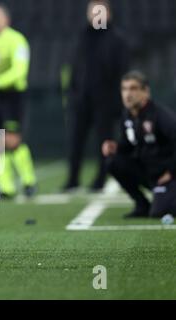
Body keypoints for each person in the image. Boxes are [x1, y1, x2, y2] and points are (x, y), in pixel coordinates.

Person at [62, 0, 129, 193]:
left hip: (105, 101)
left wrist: (117, 101)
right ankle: (73, 179)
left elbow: (121, 71)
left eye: (100, 12)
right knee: (76, 140)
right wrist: (73, 93)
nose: (96, 15)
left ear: (109, 14)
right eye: (93, 12)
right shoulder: (82, 37)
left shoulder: (117, 39)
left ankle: (101, 178)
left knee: (104, 142)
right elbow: (75, 67)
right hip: (81, 100)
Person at [0, 3, 36, 199]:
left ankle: (28, 181)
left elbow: (19, 71)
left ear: (5, 20)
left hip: (13, 96)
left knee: (12, 141)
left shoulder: (17, 40)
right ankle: (7, 185)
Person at [102, 71, 176, 218]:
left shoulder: (160, 115)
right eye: (124, 89)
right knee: (112, 161)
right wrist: (116, 147)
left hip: (166, 175)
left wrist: (172, 172)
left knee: (159, 213)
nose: (127, 94)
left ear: (146, 92)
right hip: (147, 171)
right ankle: (141, 204)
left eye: (133, 88)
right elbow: (129, 145)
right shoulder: (127, 115)